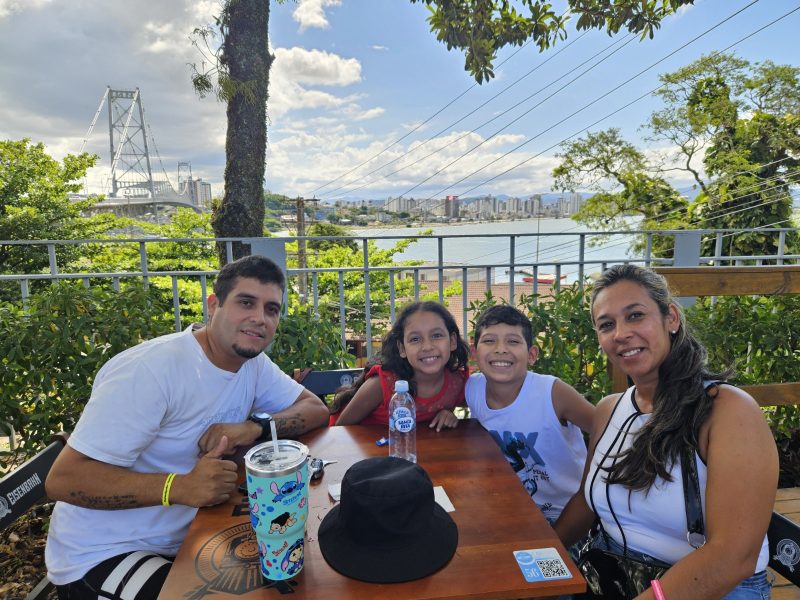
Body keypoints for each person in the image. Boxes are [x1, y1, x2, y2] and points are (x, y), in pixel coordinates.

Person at [44, 255, 329, 600]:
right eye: (246, 302)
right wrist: (178, 488)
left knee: (301, 575)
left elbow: (315, 409)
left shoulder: (252, 365)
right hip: (104, 553)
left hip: (193, 535)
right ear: (214, 305)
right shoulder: (152, 370)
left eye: (271, 309)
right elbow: (64, 480)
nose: (259, 318)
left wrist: (255, 427)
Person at [554, 264, 777, 599]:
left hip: (708, 587)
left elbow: (733, 557)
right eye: (606, 325)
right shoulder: (609, 410)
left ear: (671, 318)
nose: (621, 334)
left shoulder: (726, 411)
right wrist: (540, 549)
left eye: (635, 315)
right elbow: (587, 502)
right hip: (613, 569)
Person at [466, 304, 594, 523]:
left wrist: (595, 483)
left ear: (532, 354)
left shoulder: (553, 392)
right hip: (507, 504)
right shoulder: (471, 388)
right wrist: (446, 412)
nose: (500, 349)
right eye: (489, 341)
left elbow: (607, 429)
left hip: (566, 512)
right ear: (474, 352)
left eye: (513, 341)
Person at [332, 300, 470, 431]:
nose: (427, 346)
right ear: (402, 348)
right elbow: (340, 430)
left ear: (452, 341)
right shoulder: (383, 384)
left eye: (436, 335)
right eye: (415, 339)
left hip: (416, 452)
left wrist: (448, 414)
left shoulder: (458, 382)